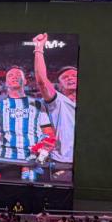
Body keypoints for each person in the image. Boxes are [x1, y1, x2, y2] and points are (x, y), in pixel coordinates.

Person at [33, 33, 77, 168]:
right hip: (63, 163)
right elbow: (42, 81)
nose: (70, 78)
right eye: (65, 77)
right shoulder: (59, 101)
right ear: (60, 85)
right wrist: (39, 48)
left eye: (74, 75)